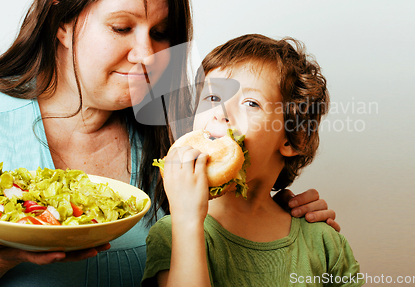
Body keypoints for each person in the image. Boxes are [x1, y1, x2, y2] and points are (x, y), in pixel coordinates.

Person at [0, 0, 338, 286]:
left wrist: (287, 223)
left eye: (160, 33)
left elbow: (232, 234)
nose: (148, 55)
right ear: (61, 22)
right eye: (121, 28)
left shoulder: (185, 132)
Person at [142, 34, 364, 287]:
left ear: (294, 139)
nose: (220, 114)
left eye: (251, 103)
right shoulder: (175, 231)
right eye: (212, 98)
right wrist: (187, 222)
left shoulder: (323, 241)